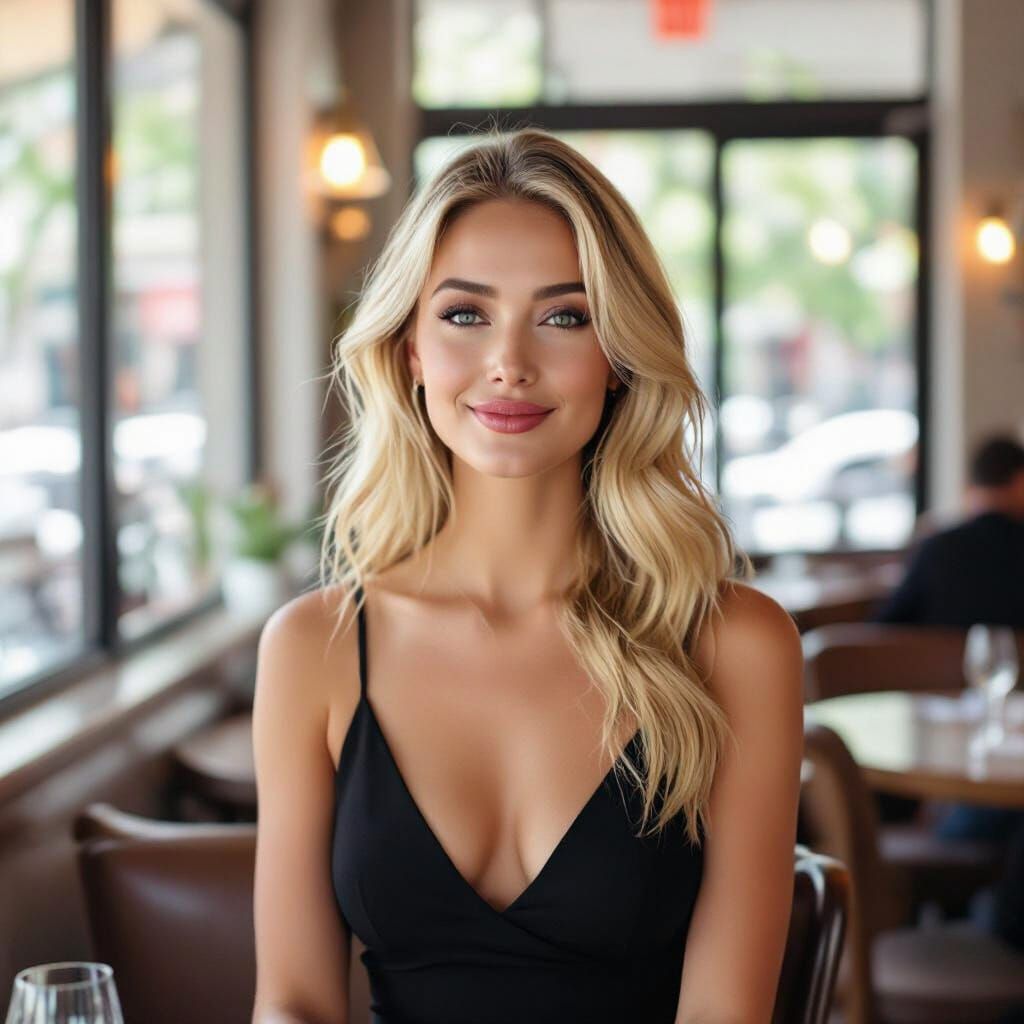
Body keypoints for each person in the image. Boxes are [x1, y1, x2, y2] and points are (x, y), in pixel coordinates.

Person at [249, 127, 804, 1024]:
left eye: (564, 315)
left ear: (621, 358)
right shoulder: (314, 647)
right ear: (409, 352)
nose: (510, 360)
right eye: (465, 314)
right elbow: (294, 1002)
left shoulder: (735, 644)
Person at [872, 434, 1024, 949]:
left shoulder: (937, 549)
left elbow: (882, 632)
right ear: (1020, 483)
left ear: (970, 486)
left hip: (936, 762)